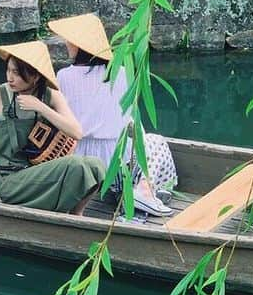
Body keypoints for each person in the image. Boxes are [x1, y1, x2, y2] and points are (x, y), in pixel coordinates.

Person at [0, 40, 105, 215]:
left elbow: (76, 132)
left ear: (36, 76)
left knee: (96, 165)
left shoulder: (51, 96)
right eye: (8, 70)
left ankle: (77, 214)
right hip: (9, 180)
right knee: (75, 164)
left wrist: (40, 107)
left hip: (37, 171)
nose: (10, 78)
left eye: (17, 73)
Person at [48, 13, 176, 217]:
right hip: (117, 167)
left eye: (69, 41)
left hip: (82, 167)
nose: (66, 44)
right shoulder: (122, 73)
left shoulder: (64, 76)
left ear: (80, 46)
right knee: (156, 142)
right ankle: (143, 189)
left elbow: (59, 120)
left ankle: (139, 192)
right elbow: (128, 119)